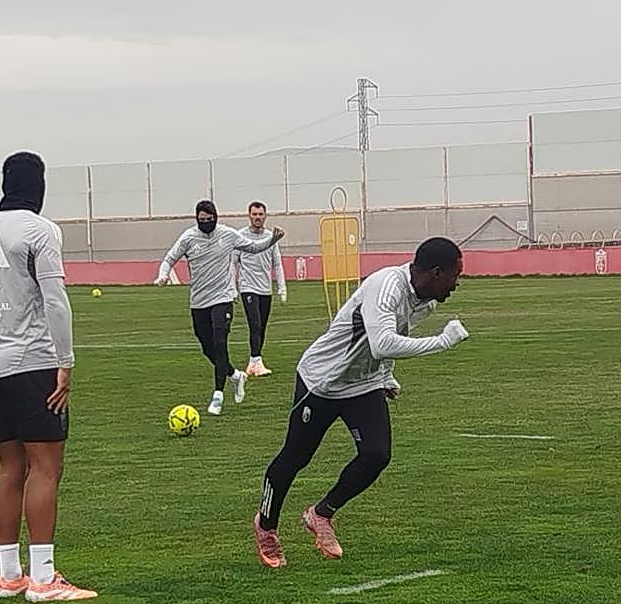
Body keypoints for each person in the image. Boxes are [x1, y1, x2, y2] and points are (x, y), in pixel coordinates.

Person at [252, 237, 469, 568]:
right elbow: (382, 342)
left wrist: (385, 377)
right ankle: (266, 526)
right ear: (436, 272)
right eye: (456, 274)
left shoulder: (425, 300)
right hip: (322, 381)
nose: (457, 283)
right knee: (295, 458)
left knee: (376, 454)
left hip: (363, 383)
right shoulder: (387, 286)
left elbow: (393, 336)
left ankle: (320, 514)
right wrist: (441, 342)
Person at [0, 151, 96, 603]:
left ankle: (9, 575)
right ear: (39, 186)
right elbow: (55, 300)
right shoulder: (41, 231)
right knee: (46, 467)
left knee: (10, 467)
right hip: (34, 363)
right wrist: (66, 360)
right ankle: (43, 578)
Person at [155, 200, 285, 415]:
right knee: (207, 346)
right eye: (202, 219)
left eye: (210, 219)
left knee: (219, 341)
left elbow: (253, 247)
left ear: (216, 217)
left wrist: (273, 239)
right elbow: (169, 258)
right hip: (199, 301)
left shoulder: (227, 235)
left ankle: (218, 395)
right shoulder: (189, 237)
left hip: (223, 298)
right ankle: (235, 375)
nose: (206, 222)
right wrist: (163, 274)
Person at [236, 201, 287, 377]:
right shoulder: (240, 236)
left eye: (260, 214)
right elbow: (232, 263)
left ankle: (253, 362)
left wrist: (282, 288)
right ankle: (257, 361)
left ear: (265, 216)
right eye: (254, 214)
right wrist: (231, 288)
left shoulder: (271, 237)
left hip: (265, 288)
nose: (257, 217)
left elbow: (277, 264)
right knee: (255, 324)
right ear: (249, 215)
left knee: (262, 327)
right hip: (248, 287)